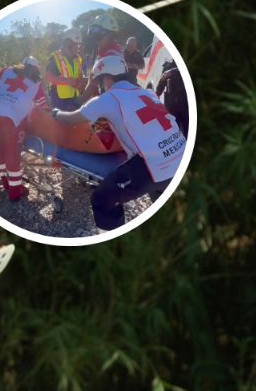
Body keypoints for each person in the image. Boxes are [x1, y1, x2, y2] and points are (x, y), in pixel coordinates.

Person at [52, 55, 186, 230]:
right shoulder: (146, 92)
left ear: (107, 78)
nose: (102, 86)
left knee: (101, 199)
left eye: (101, 81)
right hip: (181, 154)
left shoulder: (107, 99)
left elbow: (71, 119)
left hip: (153, 164)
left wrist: (55, 113)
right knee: (160, 192)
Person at [0, 56, 47, 201]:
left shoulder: (8, 70)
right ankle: (15, 193)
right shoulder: (36, 82)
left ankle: (5, 183)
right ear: (36, 69)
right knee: (12, 154)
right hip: (12, 118)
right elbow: (41, 107)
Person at [82, 13, 123, 100]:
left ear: (110, 36)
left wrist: (76, 103)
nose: (96, 41)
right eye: (94, 37)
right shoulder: (103, 52)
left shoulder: (112, 57)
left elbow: (93, 84)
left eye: (98, 37)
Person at [45, 28, 87, 111]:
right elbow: (48, 77)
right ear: (68, 43)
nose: (78, 47)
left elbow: (79, 75)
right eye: (76, 44)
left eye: (79, 45)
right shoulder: (55, 57)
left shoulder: (78, 59)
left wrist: (83, 81)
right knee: (61, 123)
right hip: (59, 99)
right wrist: (67, 81)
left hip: (74, 97)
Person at [156, 59, 188, 135]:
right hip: (171, 102)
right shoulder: (167, 66)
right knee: (173, 127)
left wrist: (172, 72)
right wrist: (157, 95)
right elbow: (161, 83)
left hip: (184, 102)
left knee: (187, 126)